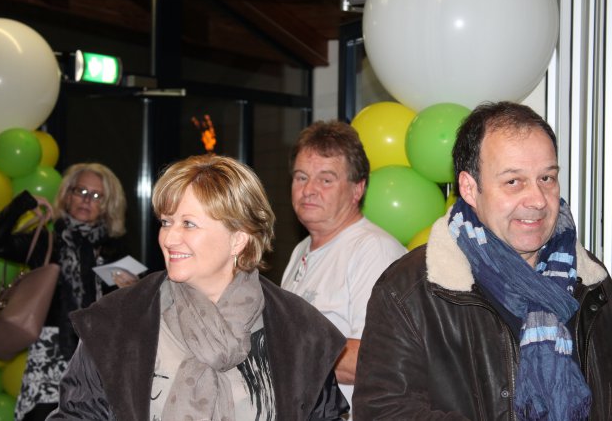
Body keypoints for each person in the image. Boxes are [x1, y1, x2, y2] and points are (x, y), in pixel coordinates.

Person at [353, 101, 612, 420]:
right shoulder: (408, 290)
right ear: (469, 188)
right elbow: (382, 411)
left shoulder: (593, 282)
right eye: (513, 181)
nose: (537, 200)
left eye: (546, 178)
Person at [47, 154, 349, 420]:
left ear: (238, 239)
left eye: (188, 224)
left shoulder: (299, 330)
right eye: (166, 222)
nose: (169, 238)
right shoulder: (117, 321)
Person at [0, 163, 136, 421]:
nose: (86, 200)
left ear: (107, 206)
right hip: (50, 356)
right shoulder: (46, 242)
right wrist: (23, 204)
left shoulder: (112, 250)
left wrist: (131, 292)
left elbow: (128, 315)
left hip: (96, 357)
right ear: (67, 195)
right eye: (80, 191)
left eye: (96, 196)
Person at [281, 120, 407, 414]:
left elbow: (374, 358)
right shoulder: (301, 249)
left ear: (357, 189)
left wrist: (278, 353)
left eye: (326, 180)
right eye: (301, 177)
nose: (309, 190)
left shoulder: (373, 250)